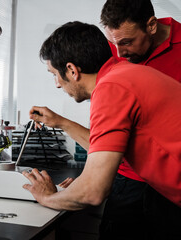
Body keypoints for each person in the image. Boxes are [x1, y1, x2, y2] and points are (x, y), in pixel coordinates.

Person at [31, 1, 181, 239]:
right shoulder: (123, 75)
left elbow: (93, 191)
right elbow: (110, 156)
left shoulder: (111, 87)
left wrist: (48, 197)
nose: (57, 84)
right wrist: (75, 190)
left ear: (72, 70)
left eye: (54, 75)